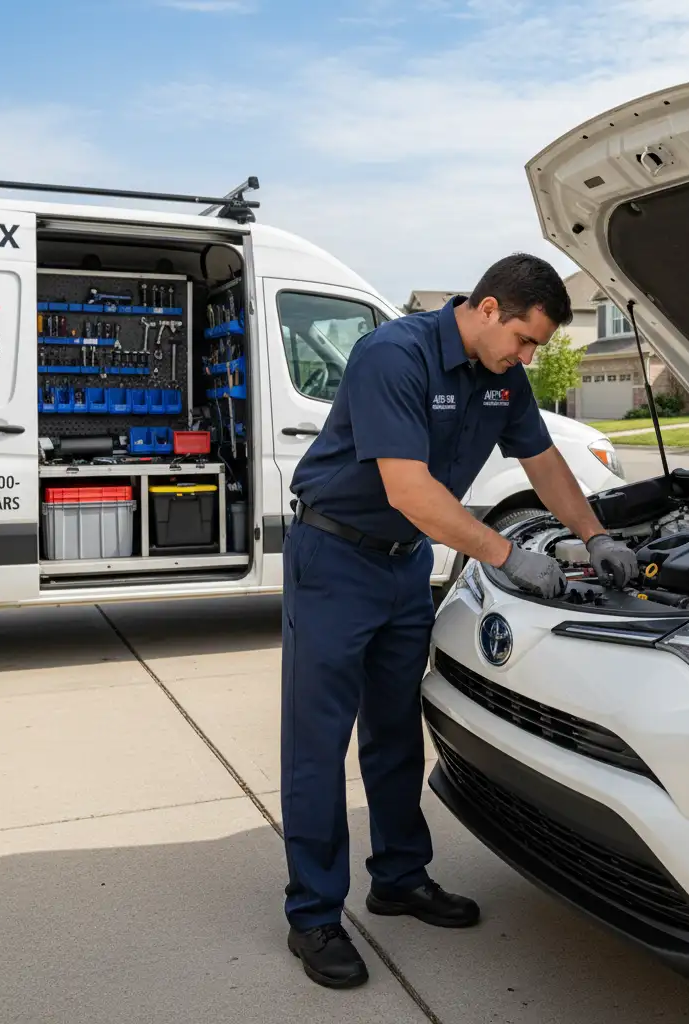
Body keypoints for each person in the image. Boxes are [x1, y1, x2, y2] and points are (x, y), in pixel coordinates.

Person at [280, 253, 638, 989]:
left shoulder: (502, 376)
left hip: (405, 565)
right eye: (524, 339)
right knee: (318, 745)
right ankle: (314, 915)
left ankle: (399, 879)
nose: (528, 357)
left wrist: (596, 535)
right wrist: (506, 553)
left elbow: (543, 463)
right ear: (486, 309)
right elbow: (409, 488)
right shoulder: (394, 356)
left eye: (536, 346)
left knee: (393, 731)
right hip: (336, 561)